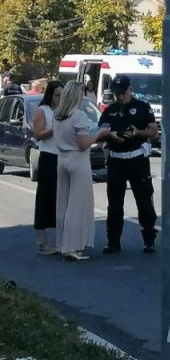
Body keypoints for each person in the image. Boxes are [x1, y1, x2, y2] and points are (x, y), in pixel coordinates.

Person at [98, 74, 159, 254]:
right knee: (114, 203)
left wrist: (137, 133)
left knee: (144, 200)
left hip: (137, 159)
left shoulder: (142, 107)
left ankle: (149, 239)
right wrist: (110, 135)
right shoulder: (110, 110)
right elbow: (100, 131)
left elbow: (153, 132)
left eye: (123, 92)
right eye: (117, 94)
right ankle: (113, 241)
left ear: (130, 90)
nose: (121, 96)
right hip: (116, 159)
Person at [53, 81, 113, 261]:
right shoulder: (78, 116)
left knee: (63, 204)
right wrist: (100, 134)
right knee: (78, 206)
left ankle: (62, 243)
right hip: (78, 161)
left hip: (62, 158)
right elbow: (83, 143)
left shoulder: (57, 115)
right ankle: (72, 246)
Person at [32, 81, 63, 255]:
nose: (60, 99)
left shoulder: (64, 112)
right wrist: (53, 129)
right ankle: (42, 242)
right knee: (45, 198)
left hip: (63, 156)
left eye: (62, 95)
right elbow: (38, 134)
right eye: (57, 95)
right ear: (50, 95)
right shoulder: (42, 111)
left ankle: (63, 239)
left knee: (62, 198)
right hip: (48, 157)